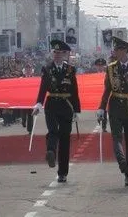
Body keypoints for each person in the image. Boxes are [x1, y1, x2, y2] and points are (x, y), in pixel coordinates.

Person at [96, 37, 128, 186]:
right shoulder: (111, 68)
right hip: (115, 105)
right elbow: (107, 90)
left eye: (117, 50)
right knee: (116, 138)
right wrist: (101, 108)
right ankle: (122, 162)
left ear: (125, 51)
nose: (115, 52)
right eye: (115, 50)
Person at [32, 40, 81, 183]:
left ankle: (62, 173)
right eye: (55, 52)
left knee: (65, 139)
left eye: (60, 53)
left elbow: (74, 91)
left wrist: (76, 110)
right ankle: (51, 152)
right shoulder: (47, 69)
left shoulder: (70, 70)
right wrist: (39, 103)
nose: (57, 55)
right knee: (53, 131)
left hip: (66, 106)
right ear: (52, 54)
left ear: (65, 54)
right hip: (52, 104)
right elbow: (43, 88)